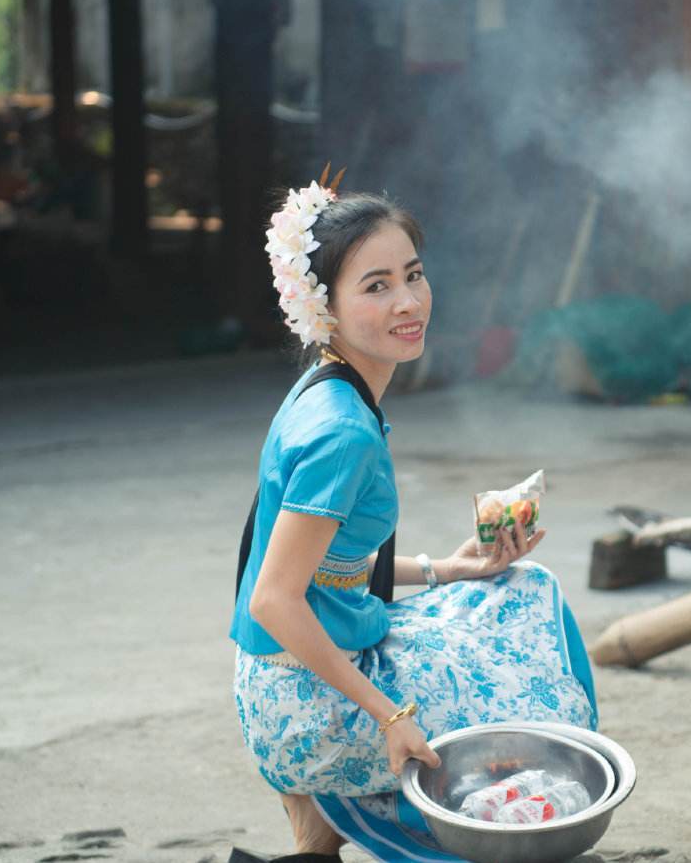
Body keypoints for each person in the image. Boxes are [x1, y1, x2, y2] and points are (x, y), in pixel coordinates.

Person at [230, 174, 598, 862]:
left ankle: (321, 836)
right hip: (302, 700)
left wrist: (449, 568)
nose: (407, 302)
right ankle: (416, 828)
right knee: (533, 683)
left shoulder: (328, 388)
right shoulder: (341, 431)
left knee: (515, 595)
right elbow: (274, 598)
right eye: (375, 286)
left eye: (413, 275)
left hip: (295, 666)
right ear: (324, 309)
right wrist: (389, 715)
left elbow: (321, 569)